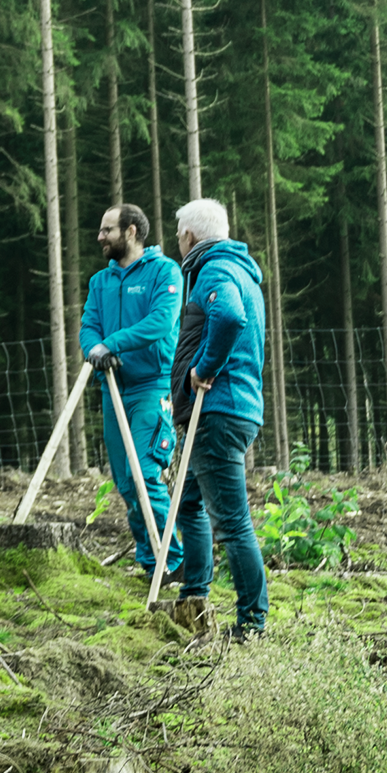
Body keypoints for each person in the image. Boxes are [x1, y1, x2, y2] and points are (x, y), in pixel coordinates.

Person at [164, 199, 271, 638]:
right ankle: (194, 593)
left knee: (232, 522)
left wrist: (204, 369)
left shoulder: (215, 270)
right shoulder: (240, 270)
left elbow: (228, 316)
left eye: (178, 236)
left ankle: (252, 624)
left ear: (190, 236)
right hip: (230, 410)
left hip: (218, 411)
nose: (177, 243)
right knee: (187, 502)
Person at [75, 203, 183, 578]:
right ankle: (149, 559)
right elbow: (88, 326)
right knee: (124, 481)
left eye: (108, 230)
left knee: (146, 475)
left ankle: (173, 561)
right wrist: (94, 349)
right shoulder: (100, 282)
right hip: (113, 390)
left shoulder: (163, 272)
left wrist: (114, 343)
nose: (100, 236)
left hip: (152, 387)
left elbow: (160, 322)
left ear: (132, 232)